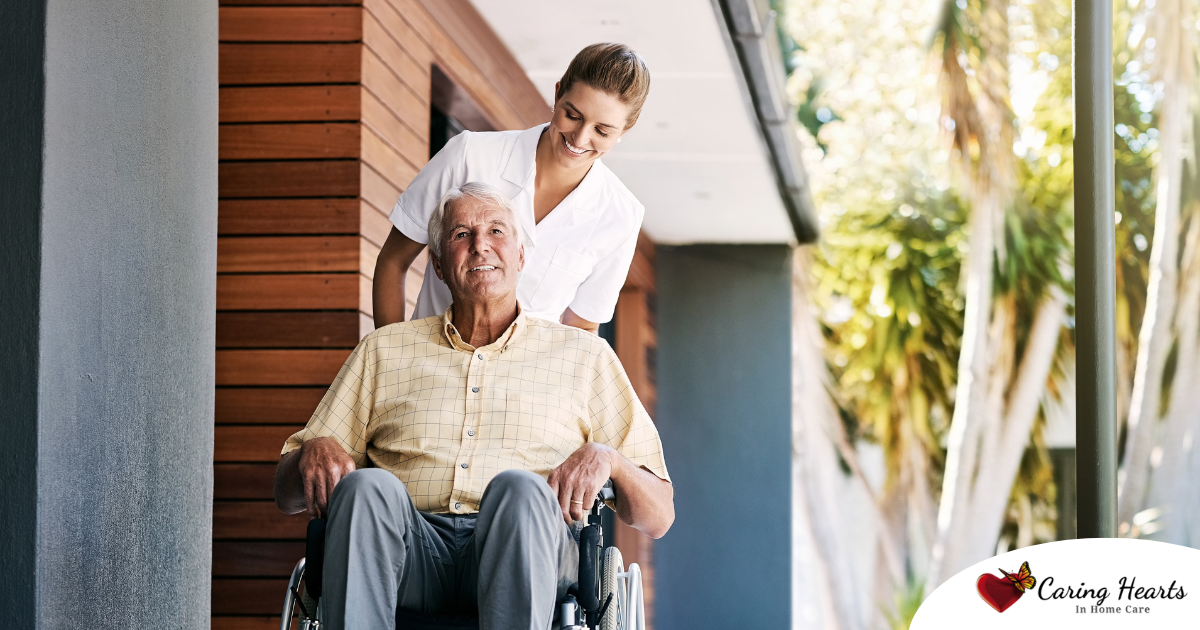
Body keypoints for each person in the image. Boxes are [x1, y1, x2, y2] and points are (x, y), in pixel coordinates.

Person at [275, 183, 674, 630]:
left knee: (521, 491)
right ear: (440, 266)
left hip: (525, 547)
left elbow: (659, 515)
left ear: (521, 257)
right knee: (367, 490)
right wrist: (311, 452)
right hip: (409, 553)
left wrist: (611, 460)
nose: (480, 243)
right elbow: (287, 494)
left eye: (496, 231)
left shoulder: (586, 357)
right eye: (461, 234)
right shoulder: (383, 351)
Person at [373, 43, 651, 335]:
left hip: (527, 379)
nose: (580, 138)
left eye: (602, 131)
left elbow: (581, 328)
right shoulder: (469, 155)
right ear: (557, 94)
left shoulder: (621, 216)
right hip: (429, 372)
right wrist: (392, 363)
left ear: (624, 131)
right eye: (572, 115)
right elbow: (394, 261)